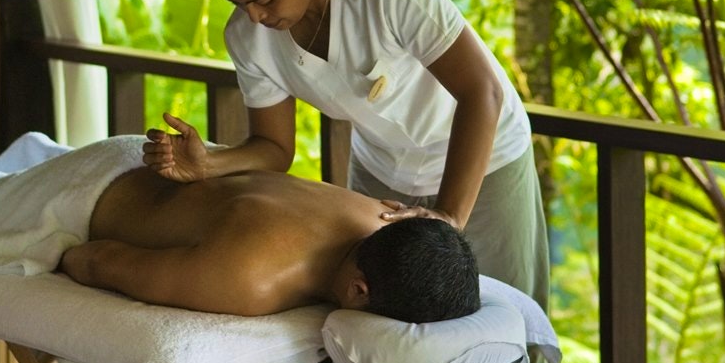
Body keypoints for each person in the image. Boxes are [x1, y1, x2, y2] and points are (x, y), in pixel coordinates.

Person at [144, 0, 555, 363]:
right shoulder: (250, 36)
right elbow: (274, 150)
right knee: (387, 342)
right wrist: (208, 164)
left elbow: (481, 93)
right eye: (240, 2)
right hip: (384, 173)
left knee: (507, 355)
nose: (255, 16)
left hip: (483, 161)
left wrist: (449, 221)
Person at [61, 140, 479, 322]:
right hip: (82, 191)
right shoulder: (252, 280)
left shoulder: (388, 217)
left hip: (138, 157)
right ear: (358, 290)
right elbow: (92, 260)